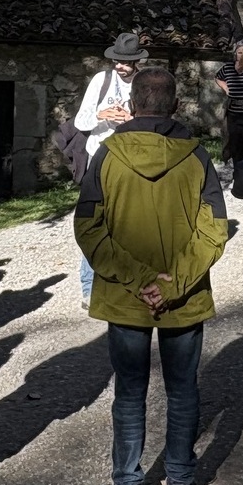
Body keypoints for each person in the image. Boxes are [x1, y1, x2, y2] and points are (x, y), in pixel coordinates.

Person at [75, 67, 227, 485]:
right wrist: (171, 282)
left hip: (127, 298)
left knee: (130, 393)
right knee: (183, 390)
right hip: (181, 298)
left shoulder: (106, 156)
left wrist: (137, 278)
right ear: (175, 106)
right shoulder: (197, 157)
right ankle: (180, 484)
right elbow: (215, 229)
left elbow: (88, 226)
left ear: (132, 103)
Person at [70, 33, 146, 307]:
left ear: (136, 61)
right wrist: (103, 115)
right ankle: (90, 288)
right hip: (99, 157)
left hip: (130, 159)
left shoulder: (143, 83)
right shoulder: (101, 81)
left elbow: (151, 122)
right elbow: (81, 120)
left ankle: (127, 280)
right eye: (116, 60)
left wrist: (129, 120)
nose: (119, 66)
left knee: (128, 221)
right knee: (94, 220)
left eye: (125, 62)